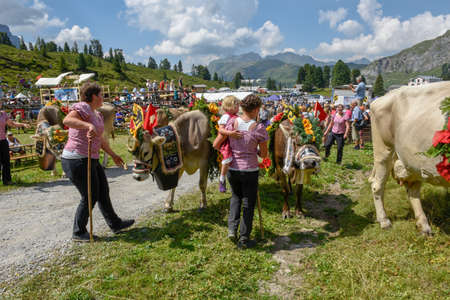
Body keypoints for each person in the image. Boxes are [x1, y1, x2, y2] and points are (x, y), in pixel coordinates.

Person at [61, 82, 134, 242]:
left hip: (91, 158)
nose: (103, 97)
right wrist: (87, 125)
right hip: (76, 158)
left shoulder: (97, 114)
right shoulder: (82, 107)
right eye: (101, 94)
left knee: (103, 191)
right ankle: (78, 232)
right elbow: (67, 120)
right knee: (90, 195)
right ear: (93, 96)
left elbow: (100, 139)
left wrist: (113, 155)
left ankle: (115, 223)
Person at [226, 95, 269, 249]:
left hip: (233, 168)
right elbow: (263, 154)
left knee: (235, 197)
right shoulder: (258, 128)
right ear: (256, 109)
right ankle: (244, 238)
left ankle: (232, 229)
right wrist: (255, 149)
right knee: (248, 203)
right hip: (249, 170)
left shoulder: (232, 123)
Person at [213, 96, 242, 193]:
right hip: (226, 141)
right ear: (229, 107)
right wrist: (231, 133)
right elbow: (220, 129)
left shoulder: (236, 116)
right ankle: (222, 179)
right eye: (236, 105)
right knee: (227, 158)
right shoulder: (226, 116)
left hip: (233, 140)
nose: (238, 107)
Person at [0, 102, 29, 185]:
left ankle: (7, 180)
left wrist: (23, 124)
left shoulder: (3, 114)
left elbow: (12, 124)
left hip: (3, 140)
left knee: (6, 161)